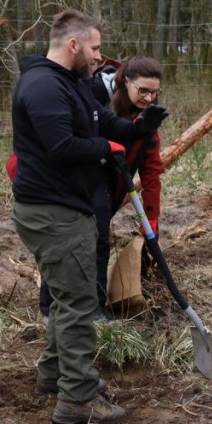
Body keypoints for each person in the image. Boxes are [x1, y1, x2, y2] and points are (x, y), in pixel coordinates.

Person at [11, 10, 168, 424]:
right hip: (54, 210)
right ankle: (77, 397)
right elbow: (61, 145)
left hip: (66, 206)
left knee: (67, 297)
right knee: (80, 302)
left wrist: (137, 128)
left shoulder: (74, 84)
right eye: (96, 48)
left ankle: (54, 375)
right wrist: (108, 149)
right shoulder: (44, 86)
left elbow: (106, 122)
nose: (101, 57)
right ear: (74, 45)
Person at [37, 57, 165, 322]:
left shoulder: (147, 117)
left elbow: (152, 171)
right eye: (143, 90)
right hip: (73, 178)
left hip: (107, 186)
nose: (149, 97)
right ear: (125, 81)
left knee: (97, 242)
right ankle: (51, 309)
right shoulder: (94, 96)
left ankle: (94, 308)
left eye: (154, 92)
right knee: (64, 241)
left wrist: (151, 215)